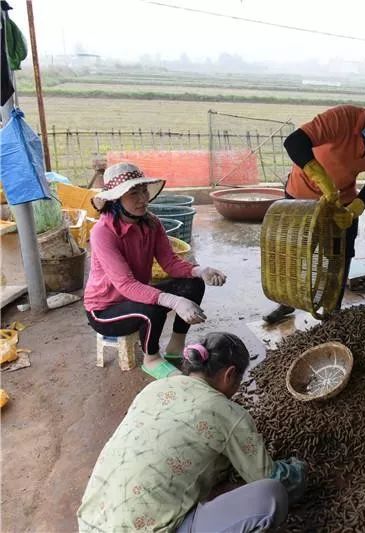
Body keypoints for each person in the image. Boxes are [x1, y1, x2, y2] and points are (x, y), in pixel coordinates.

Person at [77, 332, 307, 533]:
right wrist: (299, 470)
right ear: (230, 374)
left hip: (90, 523)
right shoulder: (226, 412)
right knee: (270, 495)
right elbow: (268, 476)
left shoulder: (154, 388)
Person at [264, 93, 365, 324]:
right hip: (301, 195)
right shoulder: (342, 117)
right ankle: (286, 302)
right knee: (295, 251)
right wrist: (321, 178)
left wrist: (354, 209)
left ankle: (332, 310)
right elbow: (294, 142)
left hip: (340, 202)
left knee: (340, 255)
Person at [85, 162, 227, 380]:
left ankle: (175, 348)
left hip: (134, 295)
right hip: (105, 310)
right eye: (133, 193)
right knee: (153, 307)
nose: (143, 199)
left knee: (192, 284)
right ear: (116, 199)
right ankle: (151, 359)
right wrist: (175, 302)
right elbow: (126, 285)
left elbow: (170, 262)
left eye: (143, 190)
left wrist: (200, 271)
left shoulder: (151, 223)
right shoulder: (102, 232)